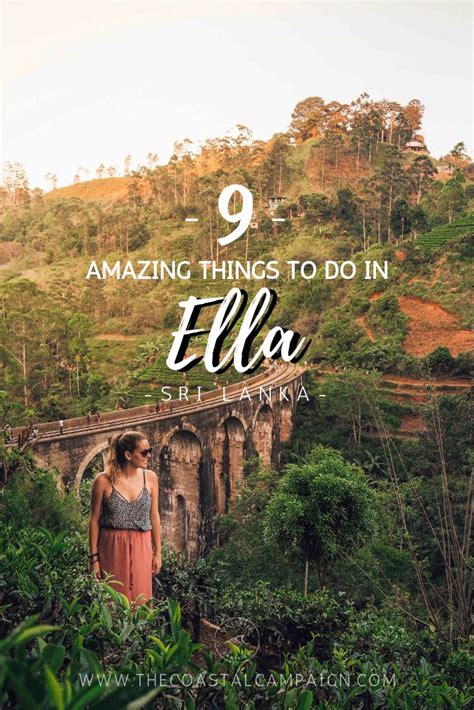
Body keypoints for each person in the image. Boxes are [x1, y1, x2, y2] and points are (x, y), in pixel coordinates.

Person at [89, 430, 161, 604]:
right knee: (112, 602)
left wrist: (158, 553)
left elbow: (154, 516)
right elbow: (93, 520)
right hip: (111, 547)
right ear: (128, 455)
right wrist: (94, 560)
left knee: (141, 602)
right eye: (144, 452)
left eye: (149, 450)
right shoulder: (103, 481)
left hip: (142, 547)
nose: (149, 456)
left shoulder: (150, 478)